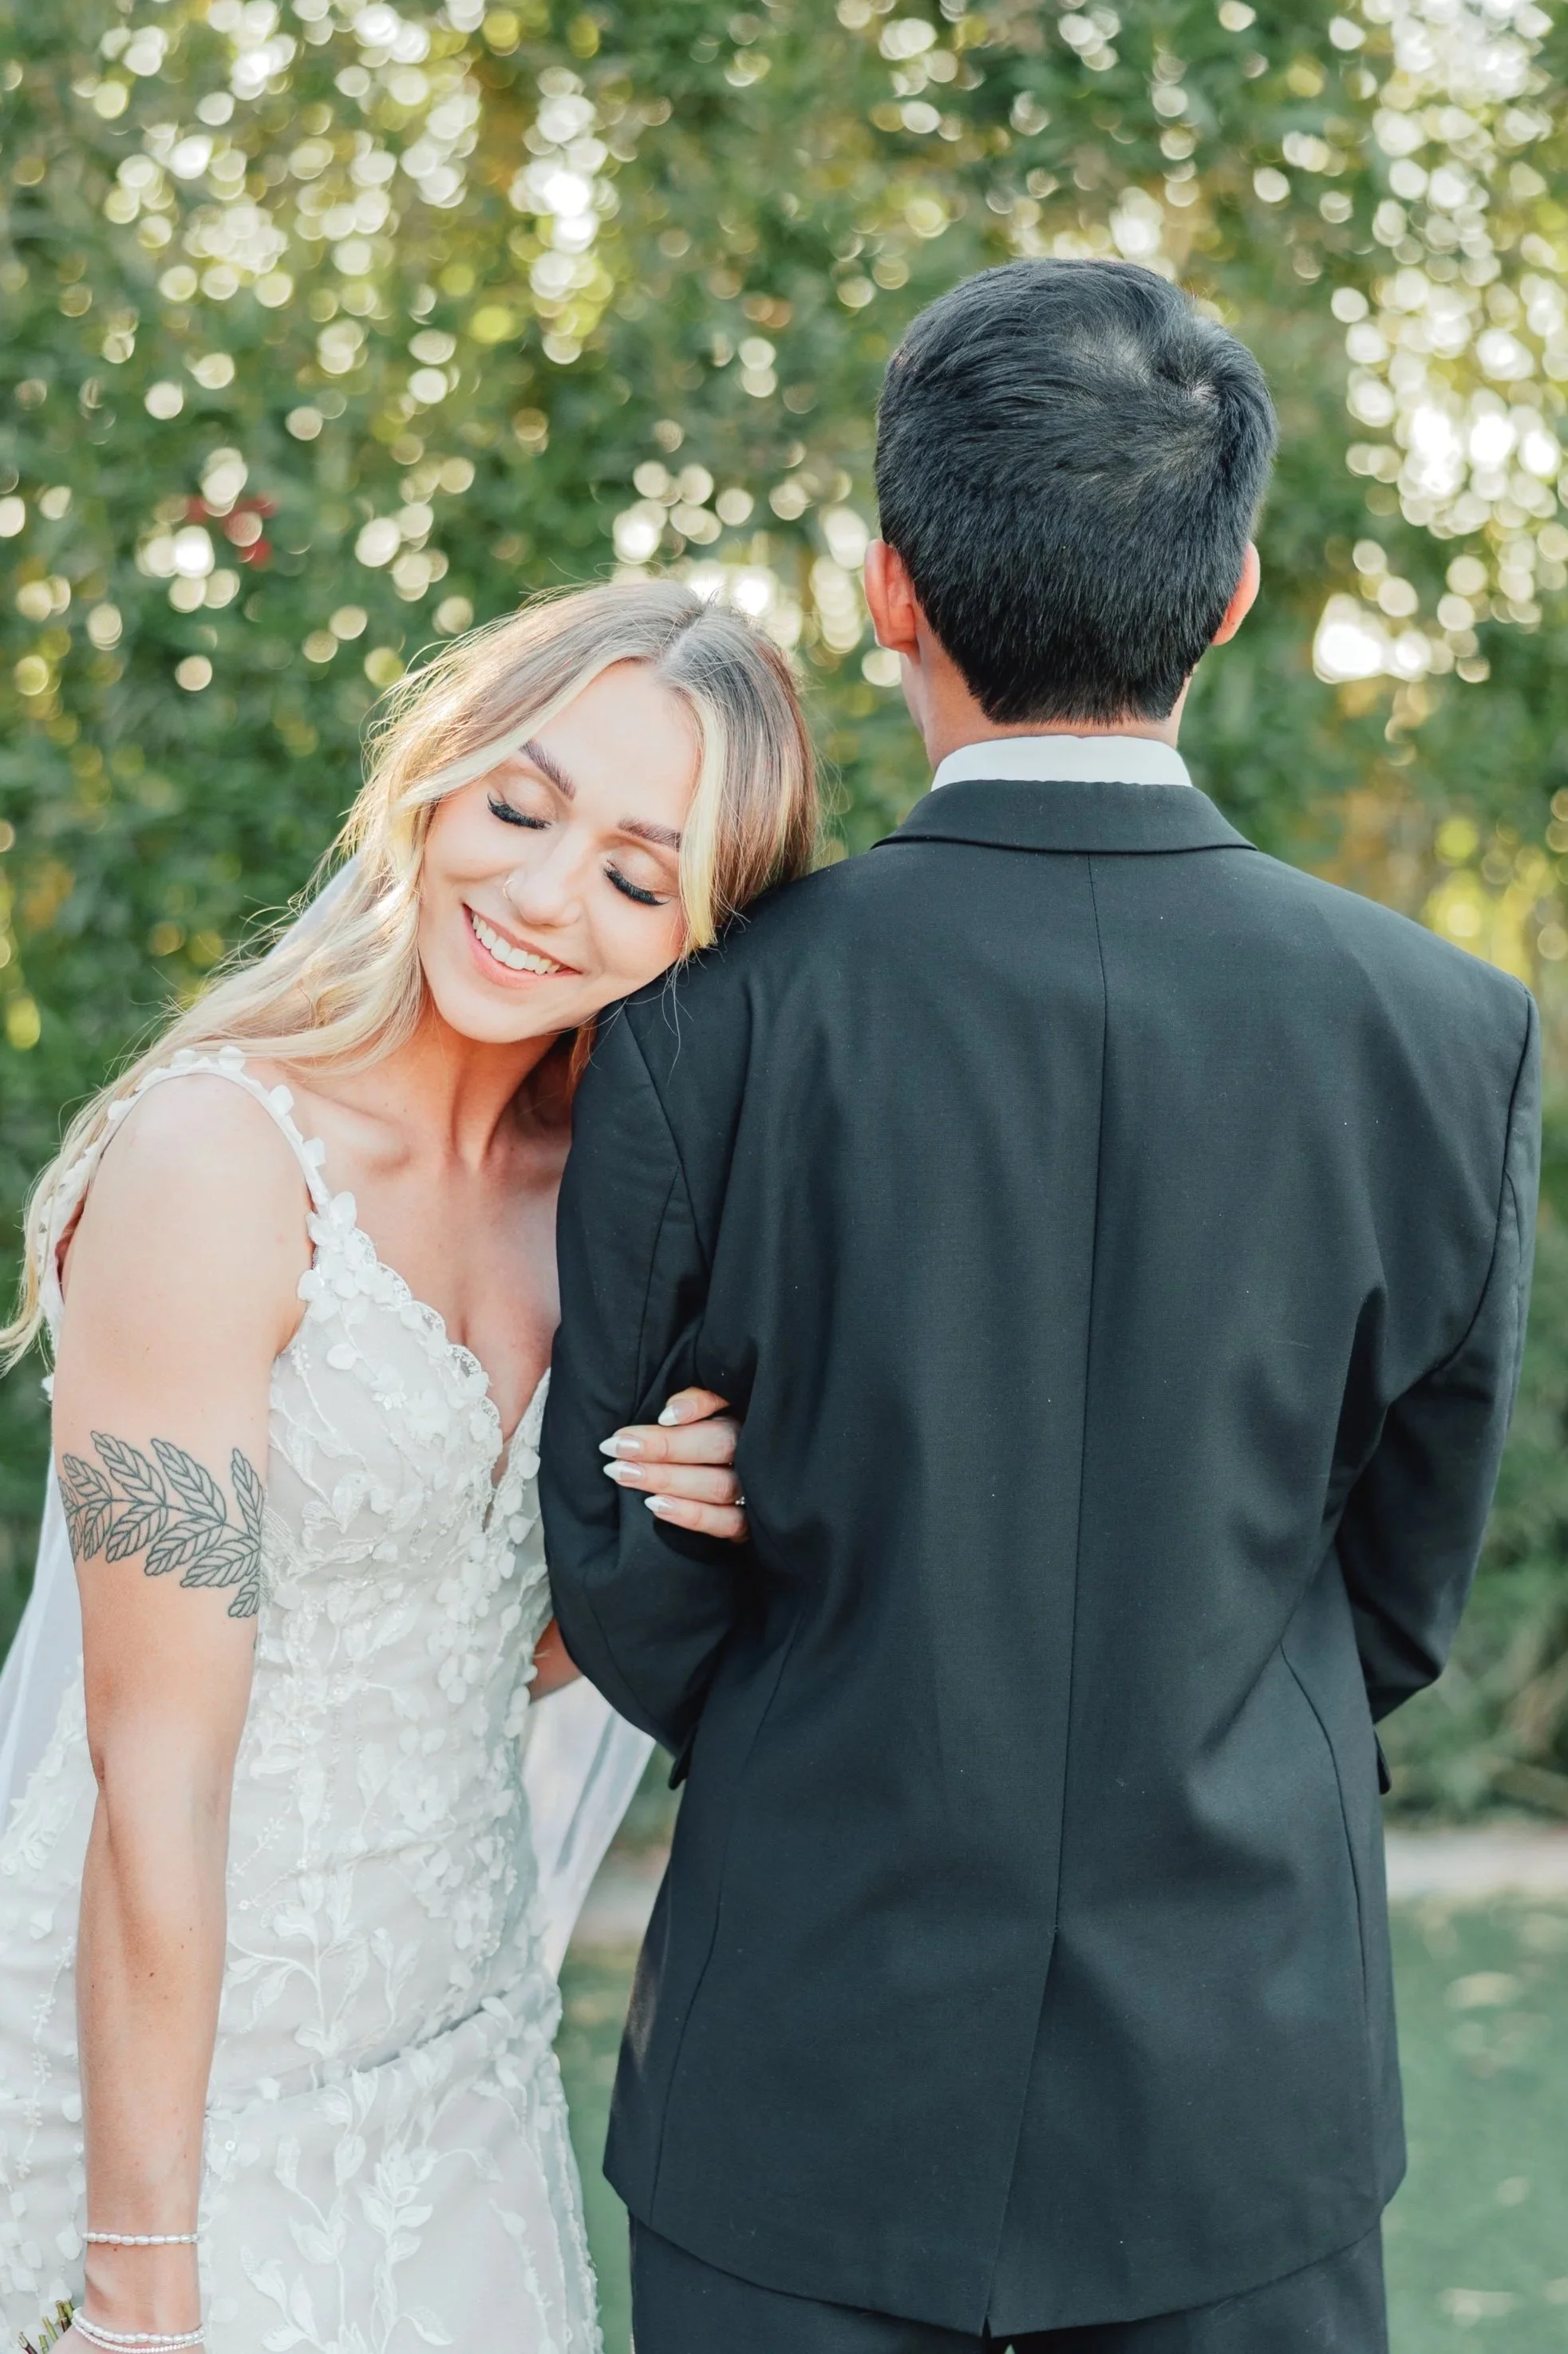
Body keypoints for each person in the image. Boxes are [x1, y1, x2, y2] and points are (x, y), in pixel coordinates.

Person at [543, 259, 1541, 2354]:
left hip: (795, 2076)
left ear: (888, 589)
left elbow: (629, 1579)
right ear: (1231, 591)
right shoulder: (1442, 1030)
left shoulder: (694, 1029)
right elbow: (1395, 1592)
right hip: (1240, 2081)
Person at [0, 579, 816, 2352]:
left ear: (704, 930)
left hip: (462, 2064)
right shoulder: (218, 1166)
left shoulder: (615, 1206)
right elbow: (156, 1762)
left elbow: (507, 1642)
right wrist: (143, 2270)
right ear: (437, 780)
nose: (538, 896)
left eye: (632, 870)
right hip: (184, 2090)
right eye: (521, 808)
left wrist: (697, 1503)